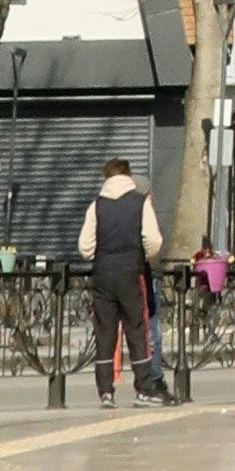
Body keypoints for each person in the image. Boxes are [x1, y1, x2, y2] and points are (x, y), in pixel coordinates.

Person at [77, 150, 161, 402]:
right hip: (131, 272)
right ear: (128, 176)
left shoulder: (97, 205)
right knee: (137, 329)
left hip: (102, 274)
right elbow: (154, 241)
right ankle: (144, 390)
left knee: (105, 331)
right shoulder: (140, 202)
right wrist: (141, 255)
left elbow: (84, 247)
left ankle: (105, 391)